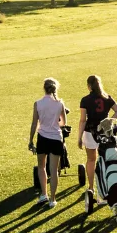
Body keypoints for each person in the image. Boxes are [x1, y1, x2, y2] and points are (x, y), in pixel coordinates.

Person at [78, 74, 117, 209]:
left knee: (91, 160)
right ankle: (109, 185)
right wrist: (109, 121)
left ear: (89, 86)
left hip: (90, 133)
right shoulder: (106, 97)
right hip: (105, 133)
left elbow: (82, 120)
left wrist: (79, 137)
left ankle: (91, 187)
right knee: (106, 159)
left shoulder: (85, 100)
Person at [28, 78, 68, 208]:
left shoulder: (38, 103)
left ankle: (43, 194)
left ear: (44, 88)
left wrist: (30, 140)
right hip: (56, 138)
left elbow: (34, 123)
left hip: (42, 138)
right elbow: (63, 123)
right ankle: (52, 199)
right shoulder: (60, 103)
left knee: (41, 167)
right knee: (54, 170)